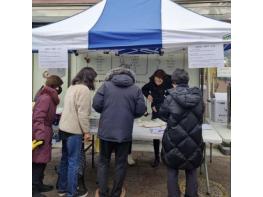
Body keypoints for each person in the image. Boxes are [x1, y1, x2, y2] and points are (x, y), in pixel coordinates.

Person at [93, 67, 146, 197]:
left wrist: (106, 112)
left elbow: (96, 104)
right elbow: (140, 110)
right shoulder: (135, 89)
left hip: (106, 131)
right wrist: (129, 114)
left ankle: (102, 192)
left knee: (103, 162)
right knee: (120, 163)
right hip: (124, 133)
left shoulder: (105, 86)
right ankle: (116, 193)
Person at [159, 69, 205, 197]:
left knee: (172, 170)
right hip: (194, 140)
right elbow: (201, 114)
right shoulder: (198, 98)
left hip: (173, 140)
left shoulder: (169, 98)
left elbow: (162, 115)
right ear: (187, 81)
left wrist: (172, 121)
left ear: (174, 82)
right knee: (191, 169)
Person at [57, 67, 97, 197]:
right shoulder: (84, 90)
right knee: (74, 161)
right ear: (90, 78)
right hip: (74, 130)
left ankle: (62, 189)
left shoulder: (72, 87)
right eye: (94, 78)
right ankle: (71, 192)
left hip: (64, 127)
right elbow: (83, 114)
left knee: (65, 159)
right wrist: (86, 132)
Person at [32, 75, 63, 197]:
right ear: (55, 86)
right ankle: (33, 189)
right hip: (41, 131)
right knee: (37, 161)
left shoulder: (48, 97)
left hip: (45, 130)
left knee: (42, 160)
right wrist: (40, 136)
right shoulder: (46, 98)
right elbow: (38, 117)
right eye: (59, 86)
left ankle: (38, 184)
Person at [141, 69, 173, 168]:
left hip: (167, 113)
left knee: (166, 135)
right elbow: (143, 89)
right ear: (154, 78)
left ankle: (166, 156)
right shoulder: (151, 84)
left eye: (160, 80)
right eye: (156, 80)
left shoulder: (169, 84)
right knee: (156, 136)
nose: (158, 82)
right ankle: (156, 158)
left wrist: (156, 104)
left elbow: (169, 97)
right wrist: (148, 95)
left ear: (164, 79)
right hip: (156, 114)